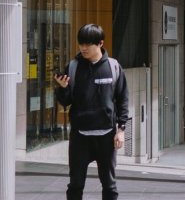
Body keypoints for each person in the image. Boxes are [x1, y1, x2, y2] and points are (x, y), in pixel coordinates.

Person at [54, 24, 130, 200]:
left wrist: (121, 130)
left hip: (107, 135)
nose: (83, 48)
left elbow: (123, 99)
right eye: (81, 43)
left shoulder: (114, 67)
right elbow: (65, 102)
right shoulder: (73, 67)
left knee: (109, 185)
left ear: (100, 43)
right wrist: (63, 89)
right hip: (80, 136)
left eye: (88, 44)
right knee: (75, 185)